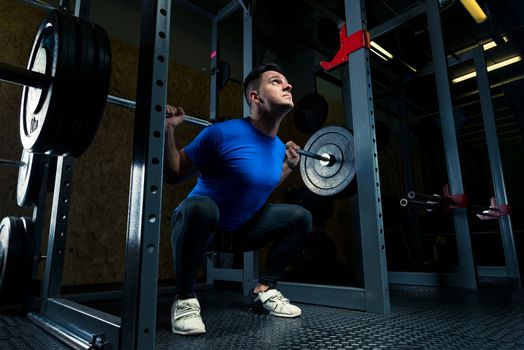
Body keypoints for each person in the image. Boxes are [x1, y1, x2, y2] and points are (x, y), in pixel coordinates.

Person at [164, 63, 313, 335]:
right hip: (199, 226)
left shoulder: (279, 147)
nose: (288, 86)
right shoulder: (220, 133)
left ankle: (265, 289)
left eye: (287, 82)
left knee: (300, 217)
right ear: (255, 97)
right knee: (202, 207)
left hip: (239, 233)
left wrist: (289, 167)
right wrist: (168, 130)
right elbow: (174, 174)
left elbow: (258, 187)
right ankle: (185, 299)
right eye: (276, 82)